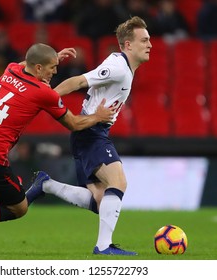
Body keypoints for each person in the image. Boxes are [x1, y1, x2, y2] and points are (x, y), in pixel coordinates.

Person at [0, 43, 115, 253]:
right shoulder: (43, 92)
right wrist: (98, 117)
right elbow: (73, 123)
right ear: (38, 68)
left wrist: (52, 57)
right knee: (19, 207)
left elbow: (26, 62)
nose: (55, 72)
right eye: (52, 67)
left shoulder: (11, 69)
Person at [26, 16, 152, 255]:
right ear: (128, 45)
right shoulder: (118, 67)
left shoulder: (122, 66)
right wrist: (45, 97)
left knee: (101, 200)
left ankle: (47, 185)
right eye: (144, 40)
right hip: (91, 133)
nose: (150, 45)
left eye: (149, 40)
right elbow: (78, 81)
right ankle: (104, 246)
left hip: (91, 133)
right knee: (119, 182)